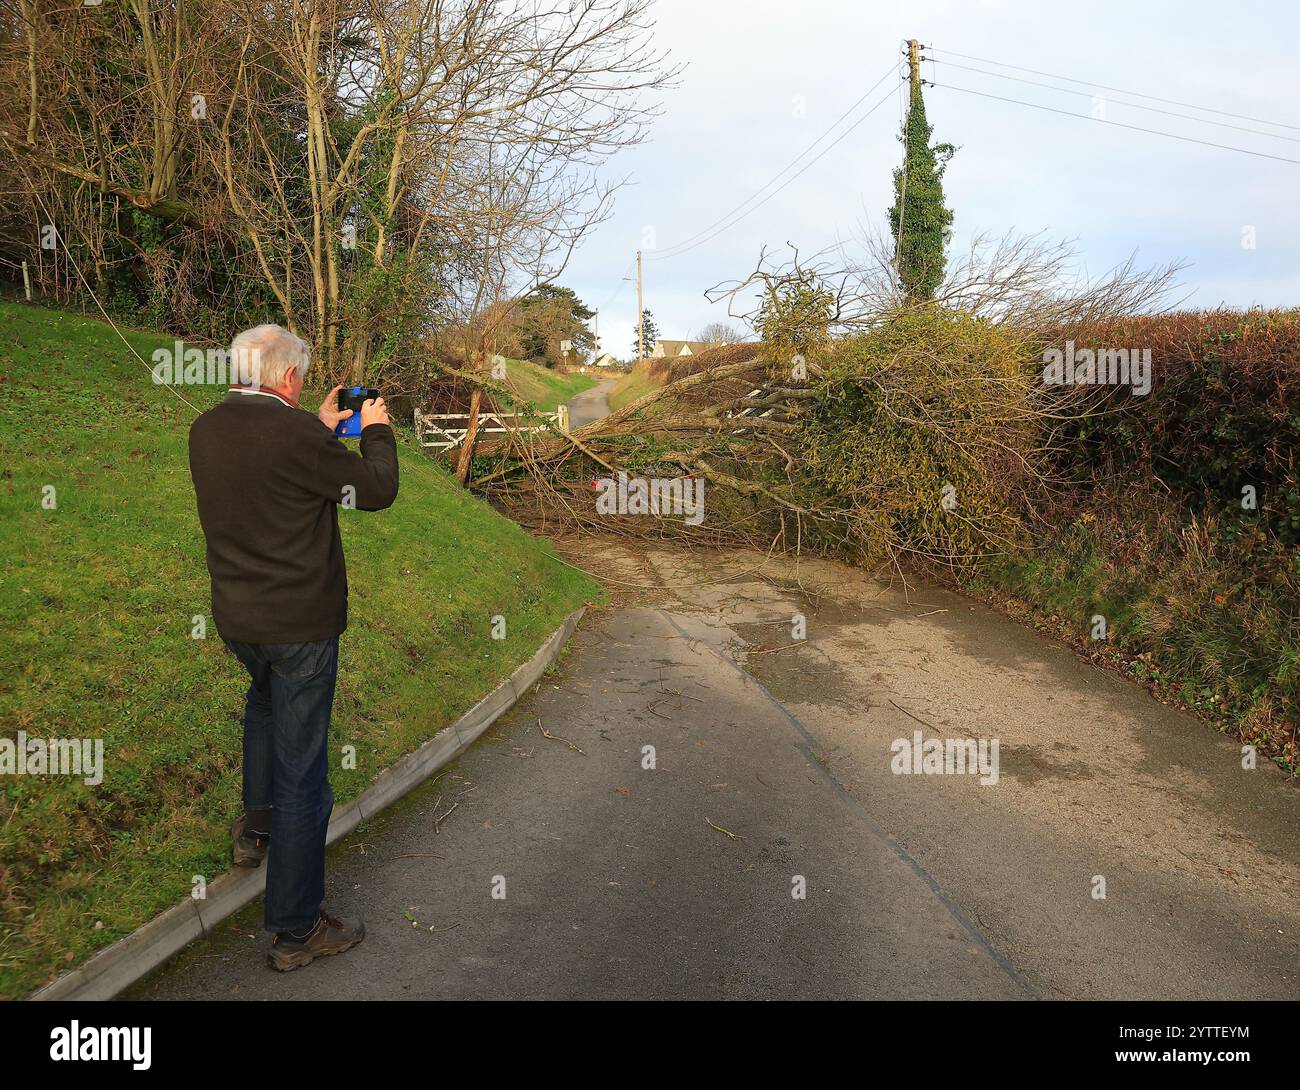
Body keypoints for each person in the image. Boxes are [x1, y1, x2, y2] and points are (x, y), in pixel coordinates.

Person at [188, 324, 398, 971]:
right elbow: (375, 490)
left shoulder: (205, 429)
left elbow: (277, 462)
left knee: (263, 706)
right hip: (299, 626)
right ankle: (296, 929)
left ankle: (256, 832)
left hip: (239, 620)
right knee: (304, 774)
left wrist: (322, 427)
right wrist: (376, 428)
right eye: (300, 378)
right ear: (286, 378)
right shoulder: (299, 436)